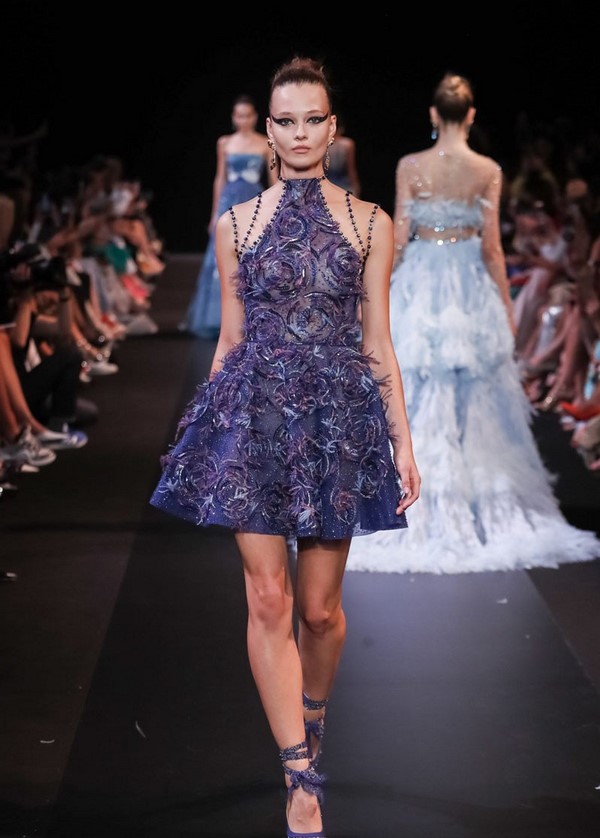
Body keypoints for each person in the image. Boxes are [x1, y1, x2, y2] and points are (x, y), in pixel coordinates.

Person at [151, 56, 420, 837]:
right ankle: (299, 772)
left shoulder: (371, 223)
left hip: (337, 421)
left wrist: (404, 443)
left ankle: (312, 717)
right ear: (268, 131)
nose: (300, 133)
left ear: (332, 129)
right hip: (254, 418)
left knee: (321, 612)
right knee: (267, 598)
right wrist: (205, 437)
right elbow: (230, 341)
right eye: (286, 121)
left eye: (313, 120)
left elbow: (378, 342)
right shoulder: (235, 225)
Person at [347, 72, 600, 575]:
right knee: (475, 395)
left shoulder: (410, 165)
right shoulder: (487, 169)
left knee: (415, 382)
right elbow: (492, 248)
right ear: (471, 115)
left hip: (422, 279)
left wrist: (378, 292)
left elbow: (399, 237)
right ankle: (475, 507)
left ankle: (409, 499)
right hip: (468, 281)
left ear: (433, 114)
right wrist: (504, 307)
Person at [180, 94, 277, 340]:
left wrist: (275, 210)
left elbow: (274, 180)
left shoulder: (265, 143)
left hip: (253, 202)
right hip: (228, 201)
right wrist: (215, 213)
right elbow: (219, 178)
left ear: (255, 117)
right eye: (239, 115)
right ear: (234, 117)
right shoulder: (224, 142)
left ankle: (252, 318)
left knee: (252, 255)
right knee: (220, 258)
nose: (243, 120)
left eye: (247, 115)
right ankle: (217, 319)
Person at [325, 114, 361, 196]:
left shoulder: (323, 144)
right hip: (344, 187)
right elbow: (351, 169)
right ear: (341, 128)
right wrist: (356, 187)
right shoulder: (347, 144)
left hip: (328, 186)